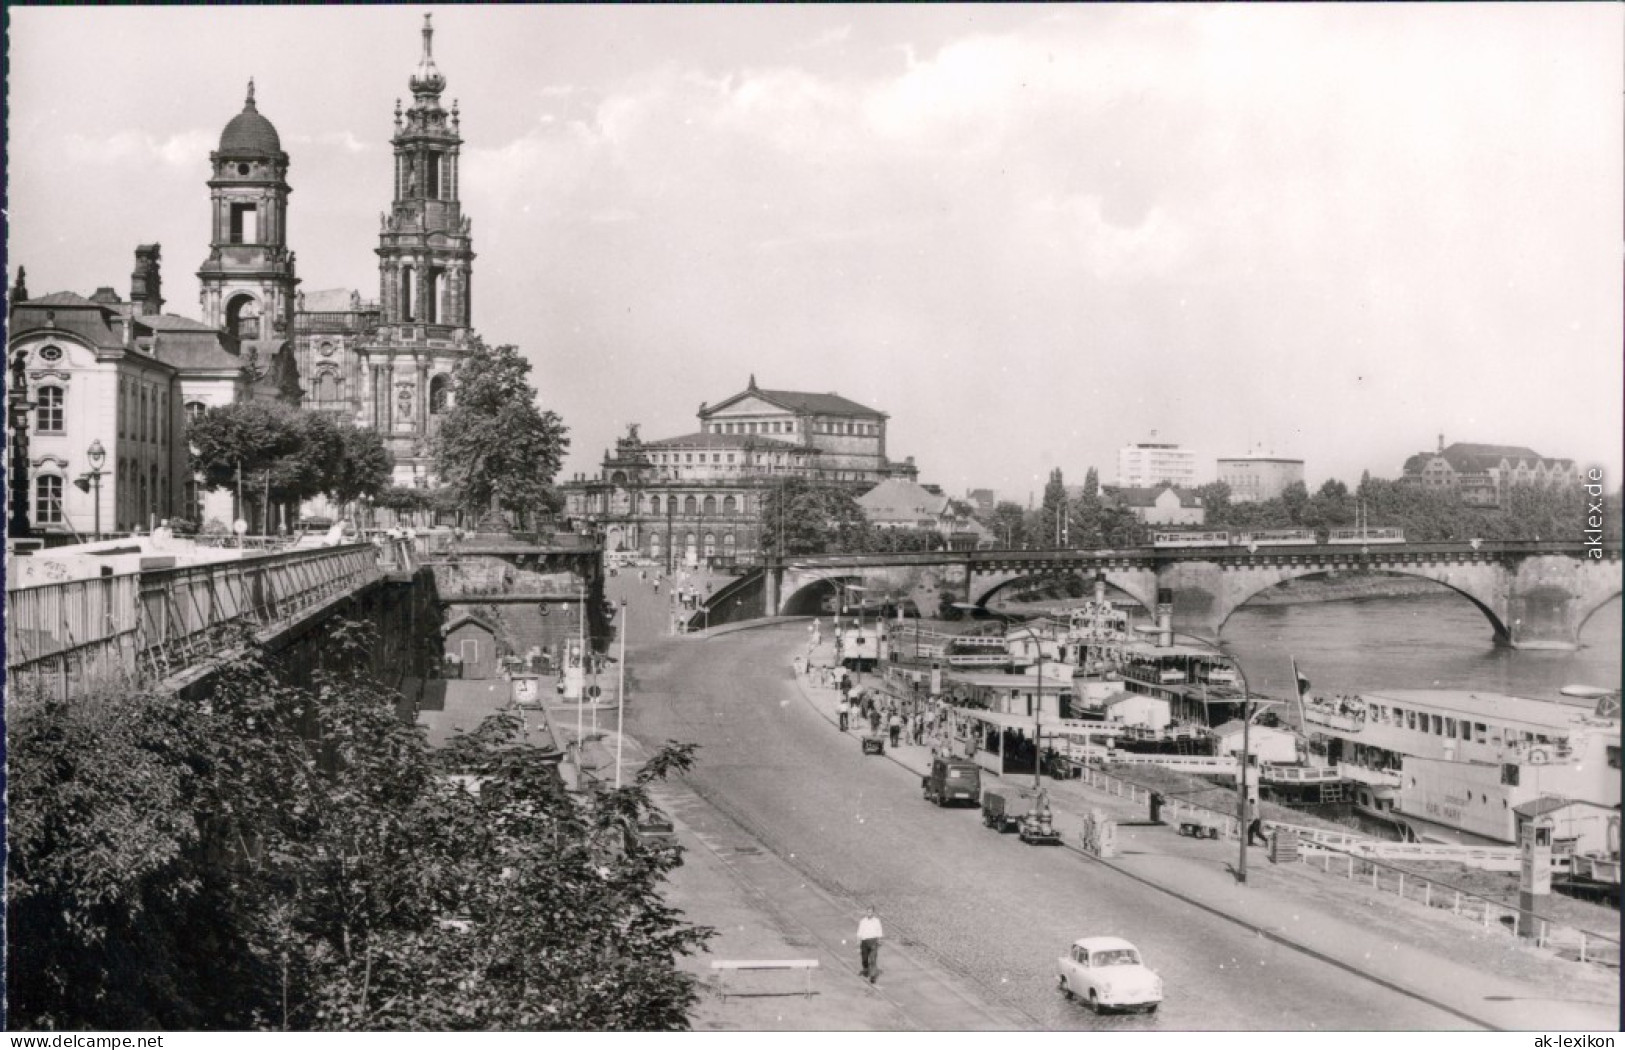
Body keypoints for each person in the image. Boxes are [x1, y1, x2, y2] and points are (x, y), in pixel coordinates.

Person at [857, 907, 884, 983]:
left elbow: (879, 931)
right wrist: (858, 944)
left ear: (873, 913)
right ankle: (866, 969)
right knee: (864, 959)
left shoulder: (876, 921)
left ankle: (872, 976)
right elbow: (859, 933)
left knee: (872, 959)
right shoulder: (863, 921)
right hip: (864, 942)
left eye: (870, 912)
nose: (869, 913)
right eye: (868, 912)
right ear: (866, 912)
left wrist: (879, 940)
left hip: (873, 941)